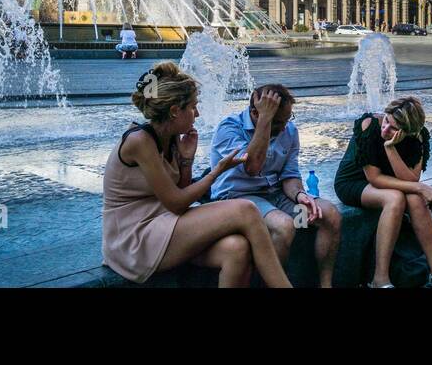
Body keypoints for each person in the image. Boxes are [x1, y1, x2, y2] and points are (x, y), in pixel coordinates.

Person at [102, 62, 291, 288]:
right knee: (246, 209)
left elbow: (180, 191)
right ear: (174, 111)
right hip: (134, 238)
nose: (198, 113)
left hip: (164, 225)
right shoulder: (139, 141)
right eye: (193, 107)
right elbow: (177, 204)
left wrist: (186, 160)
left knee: (236, 248)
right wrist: (217, 171)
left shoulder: (170, 137)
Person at [210, 84, 342, 287]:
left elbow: (289, 175)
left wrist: (300, 196)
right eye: (278, 121)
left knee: (329, 215)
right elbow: (252, 167)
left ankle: (325, 284)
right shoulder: (228, 128)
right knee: (284, 226)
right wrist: (264, 122)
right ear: (256, 112)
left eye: (288, 119)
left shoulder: (288, 130)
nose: (284, 127)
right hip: (238, 200)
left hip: (276, 197)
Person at [332, 96, 432, 288]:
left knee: (415, 199)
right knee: (395, 198)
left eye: (394, 128)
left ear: (409, 131)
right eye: (387, 121)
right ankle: (380, 278)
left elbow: (411, 179)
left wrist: (390, 147)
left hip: (391, 181)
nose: (385, 130)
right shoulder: (369, 125)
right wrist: (422, 188)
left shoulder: (419, 136)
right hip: (354, 182)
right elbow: (374, 178)